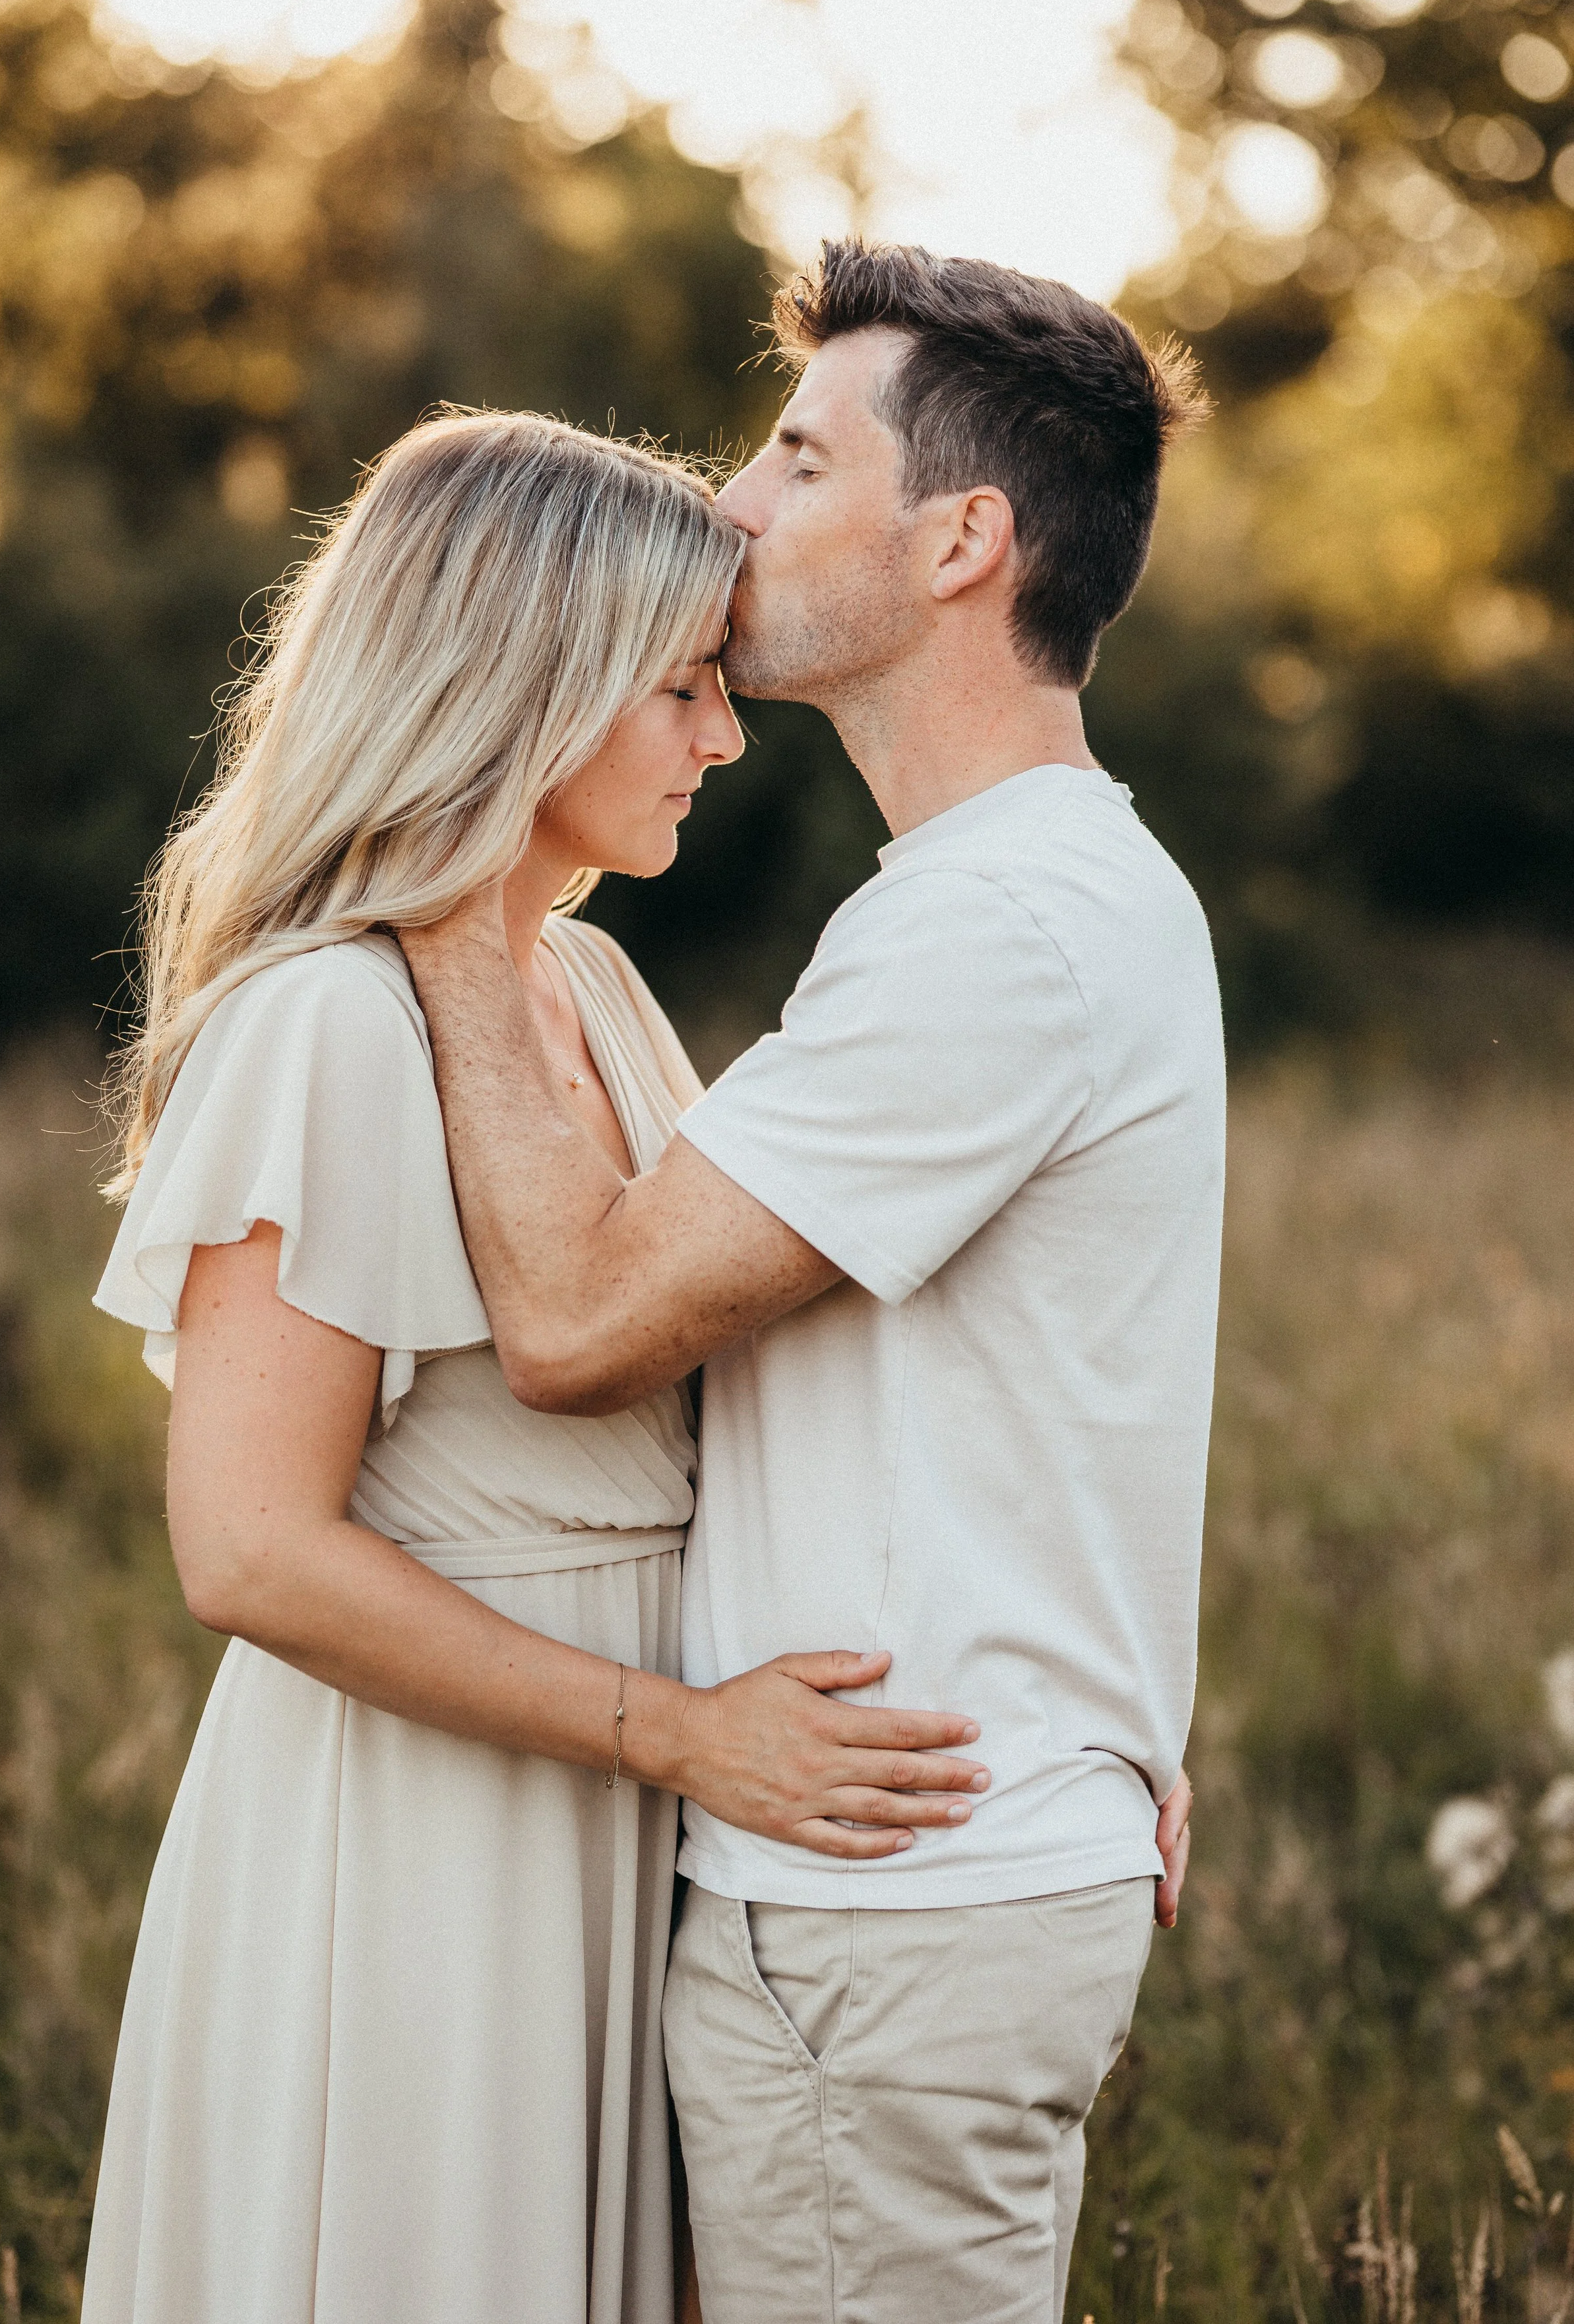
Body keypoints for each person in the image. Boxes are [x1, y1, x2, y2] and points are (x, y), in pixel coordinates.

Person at [82, 408, 992, 2324]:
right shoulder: (322, 1025)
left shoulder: (585, 985)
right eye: (677, 688)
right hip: (419, 1847)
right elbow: (246, 1550)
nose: (723, 739)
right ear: (522, 686)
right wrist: (681, 1733)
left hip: (618, 1817)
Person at [398, 242, 1224, 2324]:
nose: (730, 506)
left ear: (960, 539)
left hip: (887, 1896)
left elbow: (579, 1326)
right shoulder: (1025, 893)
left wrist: (448, 901)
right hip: (929, 1878)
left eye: (791, 457)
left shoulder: (996, 929)